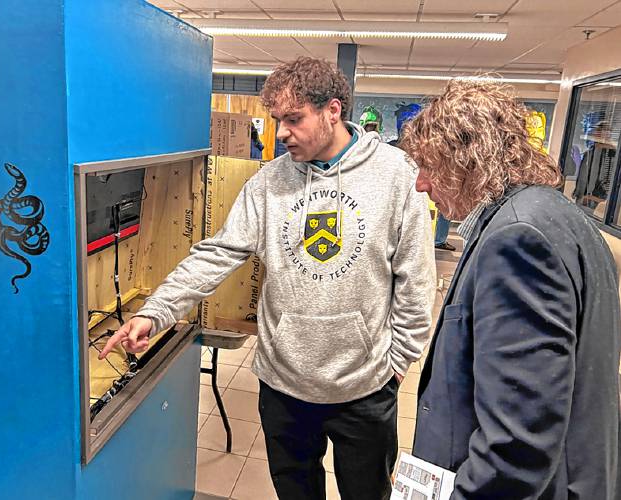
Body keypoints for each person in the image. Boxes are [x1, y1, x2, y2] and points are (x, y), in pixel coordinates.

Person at [101, 56, 436, 500]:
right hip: (283, 385)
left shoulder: (395, 175)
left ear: (332, 111)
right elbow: (218, 253)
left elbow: (416, 278)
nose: (281, 133)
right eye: (277, 120)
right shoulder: (268, 183)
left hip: (365, 387)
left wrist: (397, 365)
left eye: (294, 119)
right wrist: (157, 312)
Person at [400, 79, 620, 499]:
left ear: (465, 161)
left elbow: (517, 443)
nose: (421, 185)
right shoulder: (556, 214)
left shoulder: (518, 239)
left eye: (428, 167)